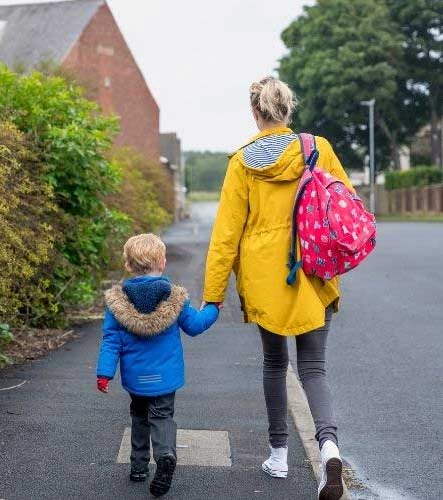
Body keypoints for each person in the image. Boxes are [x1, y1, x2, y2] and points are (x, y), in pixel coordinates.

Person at [202, 76, 351, 500]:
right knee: (314, 369)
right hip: (314, 271)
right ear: (288, 109)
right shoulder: (317, 148)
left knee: (274, 364)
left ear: (255, 112)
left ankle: (280, 455)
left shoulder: (242, 162)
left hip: (267, 277)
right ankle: (329, 448)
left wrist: (213, 295)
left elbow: (226, 235)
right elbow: (345, 203)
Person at [96, 233, 219, 497]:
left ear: (128, 265)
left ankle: (138, 467)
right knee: (161, 417)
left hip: (135, 378)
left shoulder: (118, 303)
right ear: (162, 263)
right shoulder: (174, 298)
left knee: (139, 417)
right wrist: (214, 308)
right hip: (165, 377)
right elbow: (195, 326)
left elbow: (110, 340)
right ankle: (165, 454)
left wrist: (104, 373)